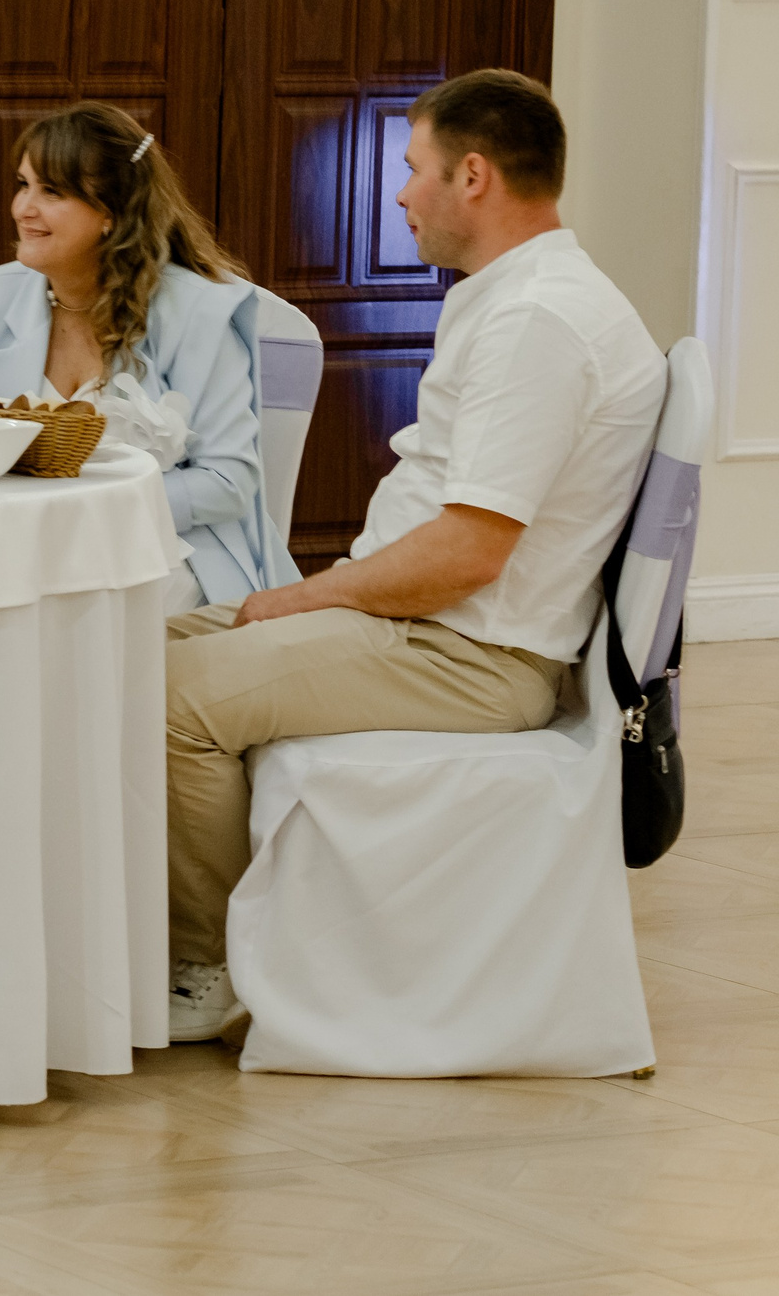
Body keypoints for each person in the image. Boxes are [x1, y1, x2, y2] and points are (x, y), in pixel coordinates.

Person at [162, 69, 665, 1041]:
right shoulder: (520, 295)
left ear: (471, 177)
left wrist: (306, 599)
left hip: (469, 655)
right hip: (426, 627)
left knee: (165, 700)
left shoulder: (537, 323)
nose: (399, 193)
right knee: (111, 647)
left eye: (413, 169)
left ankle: (215, 966)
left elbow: (470, 554)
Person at [0, 105, 297, 614]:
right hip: (14, 547)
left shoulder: (195, 314)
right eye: (23, 185)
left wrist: (83, 515)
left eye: (52, 192)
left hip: (166, 549)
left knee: (71, 609)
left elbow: (227, 484)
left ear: (110, 212)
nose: (23, 208)